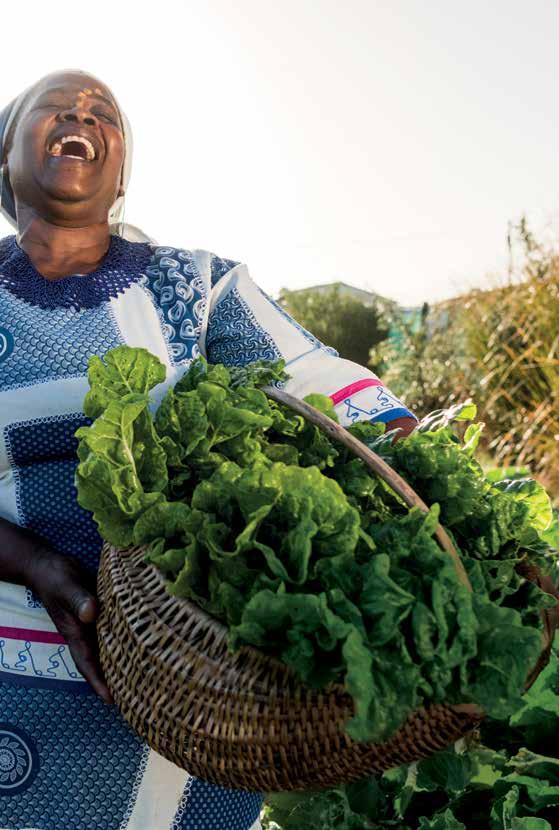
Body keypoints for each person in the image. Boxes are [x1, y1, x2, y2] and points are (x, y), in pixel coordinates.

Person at [0, 69, 417, 829]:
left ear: (120, 173)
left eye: (105, 114)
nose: (81, 115)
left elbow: (316, 385)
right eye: (55, 106)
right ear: (6, 153)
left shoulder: (196, 285)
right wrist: (39, 565)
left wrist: (414, 464)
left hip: (198, 668)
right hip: (13, 663)